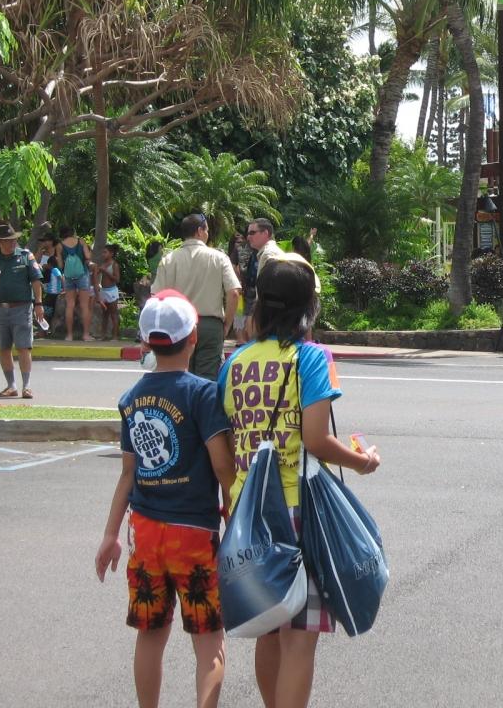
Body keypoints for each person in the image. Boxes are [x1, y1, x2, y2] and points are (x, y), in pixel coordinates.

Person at [218, 255, 380, 708]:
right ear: (308, 307)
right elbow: (315, 439)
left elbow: (227, 444)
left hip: (248, 512)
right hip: (297, 509)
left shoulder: (235, 362)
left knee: (269, 628)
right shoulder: (310, 358)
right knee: (300, 638)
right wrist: (361, 461)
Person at [95, 290, 235, 708]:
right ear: (194, 337)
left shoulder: (131, 398)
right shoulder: (203, 394)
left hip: (145, 532)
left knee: (150, 635)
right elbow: (223, 468)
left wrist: (110, 535)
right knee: (209, 641)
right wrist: (236, 520)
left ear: (145, 342)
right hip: (194, 534)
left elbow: (127, 473)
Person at [153, 214, 242, 380]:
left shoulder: (169, 259)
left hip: (178, 324)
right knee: (207, 379)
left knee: (179, 375)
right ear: (200, 231)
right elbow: (234, 293)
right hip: (210, 325)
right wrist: (226, 325)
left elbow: (156, 297)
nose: (207, 233)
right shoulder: (219, 257)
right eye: (206, 230)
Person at [0, 223, 45, 398]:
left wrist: (39, 304)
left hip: (22, 308)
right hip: (0, 310)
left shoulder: (25, 256)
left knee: (23, 347)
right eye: (8, 240)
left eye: (14, 240)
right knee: (4, 348)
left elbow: (36, 281)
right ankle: (11, 386)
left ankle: (26, 386)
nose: (12, 243)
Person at [57, 226, 95, 342]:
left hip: (69, 276)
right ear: (72, 232)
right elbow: (88, 256)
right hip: (82, 274)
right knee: (84, 305)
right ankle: (86, 335)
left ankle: (69, 335)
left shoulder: (59, 245)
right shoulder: (80, 241)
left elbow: (60, 266)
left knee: (70, 305)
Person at [94, 243, 122, 341]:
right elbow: (96, 273)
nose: (103, 254)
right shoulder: (103, 264)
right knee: (104, 314)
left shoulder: (114, 265)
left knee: (113, 314)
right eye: (103, 252)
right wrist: (96, 270)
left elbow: (117, 279)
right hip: (104, 291)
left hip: (112, 291)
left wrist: (105, 271)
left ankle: (115, 336)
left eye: (105, 252)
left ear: (111, 254)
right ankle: (103, 335)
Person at [36, 235, 62, 334]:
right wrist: (40, 249)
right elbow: (34, 262)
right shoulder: (42, 253)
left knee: (48, 309)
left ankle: (46, 330)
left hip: (53, 287)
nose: (43, 243)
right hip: (43, 284)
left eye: (45, 241)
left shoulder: (56, 254)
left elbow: (60, 268)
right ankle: (42, 329)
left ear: (51, 241)